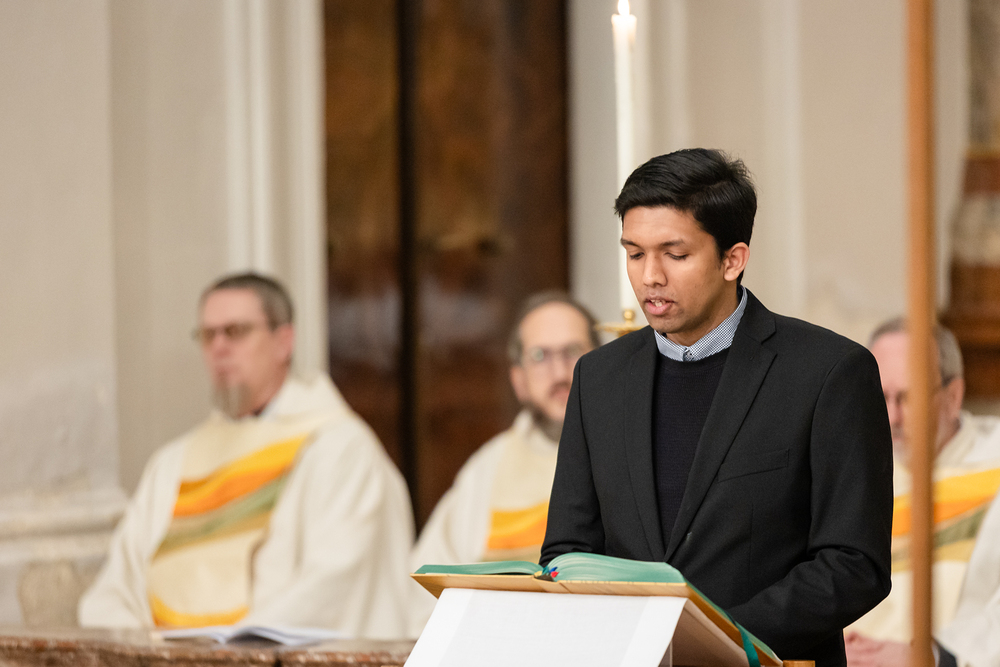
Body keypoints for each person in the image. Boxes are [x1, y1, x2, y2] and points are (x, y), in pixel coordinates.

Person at [540, 148, 893, 667]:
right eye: (634, 254)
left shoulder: (828, 372)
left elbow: (855, 563)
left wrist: (715, 640)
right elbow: (567, 552)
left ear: (733, 259)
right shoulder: (599, 378)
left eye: (675, 255)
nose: (650, 276)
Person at [79, 273, 414, 638]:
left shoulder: (337, 450)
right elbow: (115, 589)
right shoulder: (173, 463)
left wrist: (233, 649)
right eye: (208, 335)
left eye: (236, 332)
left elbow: (332, 588)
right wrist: (151, 653)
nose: (219, 347)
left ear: (284, 341)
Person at [408, 291, 600, 631]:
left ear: (604, 364)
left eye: (573, 351)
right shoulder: (488, 469)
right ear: (518, 381)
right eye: (540, 356)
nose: (559, 372)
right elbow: (427, 592)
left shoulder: (634, 454)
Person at [847, 319, 1000, 667]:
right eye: (879, 396)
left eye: (908, 397)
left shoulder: (995, 460)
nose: (892, 417)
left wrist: (931, 656)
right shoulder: (851, 470)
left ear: (953, 396)